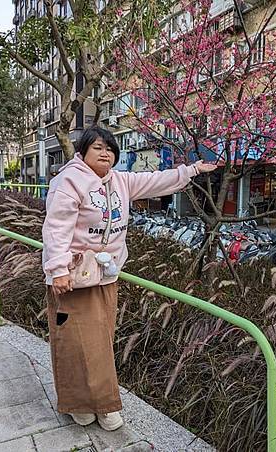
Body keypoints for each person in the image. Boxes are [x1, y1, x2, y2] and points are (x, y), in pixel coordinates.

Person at [42, 126, 216, 430]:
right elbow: (56, 227)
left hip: (105, 277)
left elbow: (156, 181)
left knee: (100, 342)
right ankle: (83, 403)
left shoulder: (121, 181)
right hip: (72, 278)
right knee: (72, 341)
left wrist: (192, 170)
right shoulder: (68, 182)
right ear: (82, 151)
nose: (105, 153)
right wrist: (57, 270)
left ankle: (98, 402)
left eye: (110, 149)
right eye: (98, 147)